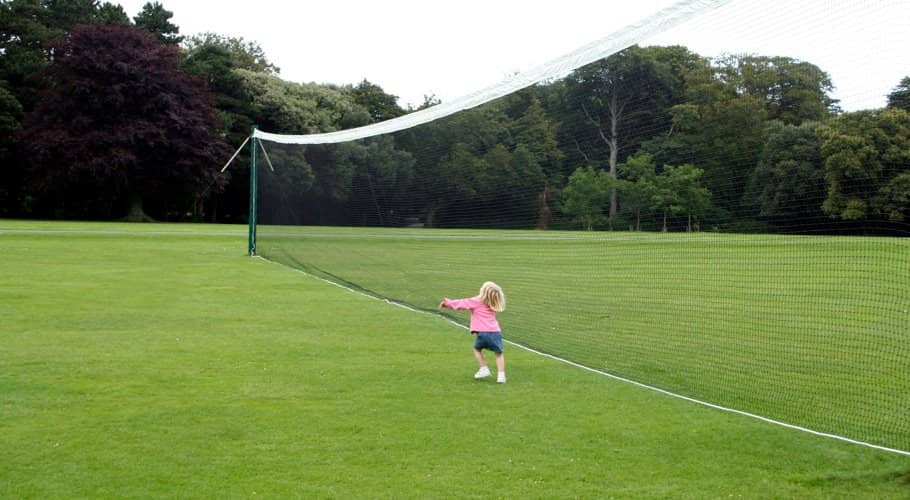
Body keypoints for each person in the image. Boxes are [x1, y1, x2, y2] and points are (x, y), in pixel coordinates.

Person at [439, 281, 507, 383]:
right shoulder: (493, 303)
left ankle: (484, 368)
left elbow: (461, 303)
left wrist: (447, 303)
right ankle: (501, 376)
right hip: (496, 332)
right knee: (499, 353)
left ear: (483, 292)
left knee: (477, 349)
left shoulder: (476, 301)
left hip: (483, 333)